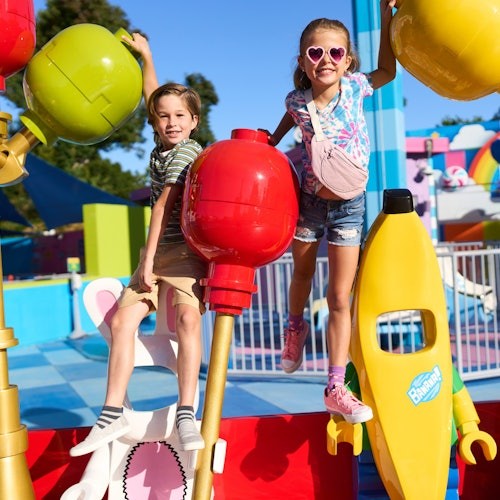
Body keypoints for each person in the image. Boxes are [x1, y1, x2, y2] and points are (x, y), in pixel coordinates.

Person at [70, 33, 207, 456]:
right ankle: (110, 414)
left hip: (182, 254)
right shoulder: (162, 146)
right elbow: (154, 96)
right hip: (157, 252)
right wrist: (147, 55)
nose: (171, 122)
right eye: (164, 117)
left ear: (194, 121)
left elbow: (163, 208)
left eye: (179, 115)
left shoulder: (187, 151)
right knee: (122, 324)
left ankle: (186, 411)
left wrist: (147, 262)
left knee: (187, 321)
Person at [262, 0, 397, 424]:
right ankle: (295, 327)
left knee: (340, 297)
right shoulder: (296, 100)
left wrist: (386, 15)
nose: (325, 59)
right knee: (301, 275)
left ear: (348, 59)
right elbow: (288, 119)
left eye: (335, 52)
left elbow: (389, 71)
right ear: (303, 60)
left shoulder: (357, 87)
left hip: (349, 205)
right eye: (316, 52)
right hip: (310, 202)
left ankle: (335, 386)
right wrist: (267, 144)